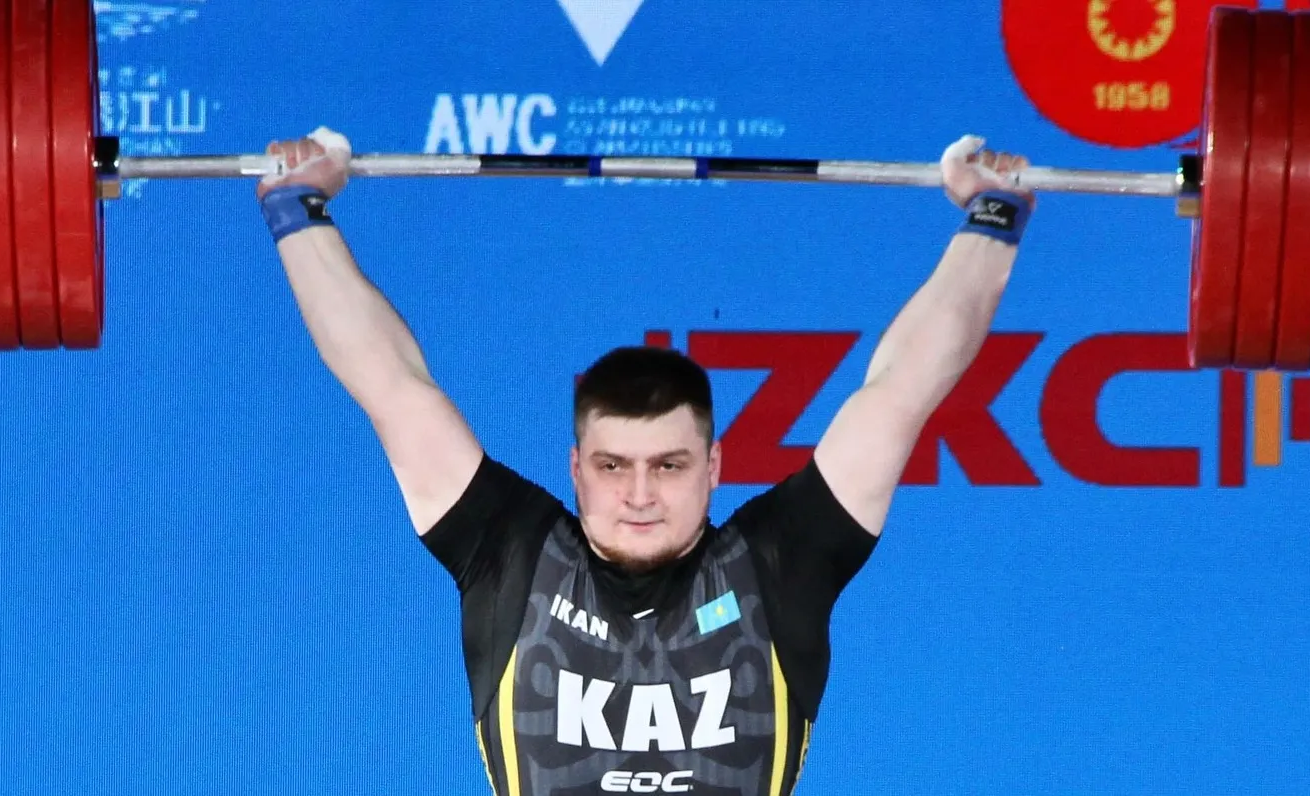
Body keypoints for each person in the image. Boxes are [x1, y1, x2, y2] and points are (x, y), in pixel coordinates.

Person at [256, 129, 1033, 795]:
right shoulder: (511, 550)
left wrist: (991, 219)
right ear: (575, 467)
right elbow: (392, 386)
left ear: (713, 466)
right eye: (612, 466)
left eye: (667, 466)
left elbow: (898, 393)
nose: (638, 495)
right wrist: (297, 210)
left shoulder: (778, 561)